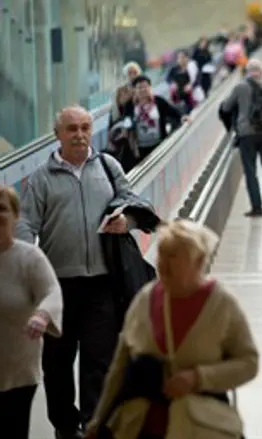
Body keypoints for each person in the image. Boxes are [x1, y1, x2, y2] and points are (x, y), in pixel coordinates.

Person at [14, 106, 153, 438]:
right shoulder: (42, 178)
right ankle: (64, 425)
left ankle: (94, 426)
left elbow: (134, 202)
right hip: (57, 288)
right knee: (57, 365)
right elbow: (25, 225)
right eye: (72, 129)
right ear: (58, 134)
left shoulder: (108, 166)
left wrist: (128, 221)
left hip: (102, 284)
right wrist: (27, 270)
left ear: (93, 130)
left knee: (99, 360)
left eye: (85, 128)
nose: (79, 134)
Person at [84, 220, 259, 439]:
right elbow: (120, 367)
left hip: (202, 427)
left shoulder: (222, 303)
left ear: (199, 262)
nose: (163, 264)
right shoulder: (145, 299)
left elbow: (249, 362)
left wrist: (198, 378)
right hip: (141, 426)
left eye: (174, 256)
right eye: (162, 254)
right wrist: (98, 421)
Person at [0, 186, 63, 439]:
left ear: (16, 216)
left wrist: (42, 315)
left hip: (18, 371)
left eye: (2, 209)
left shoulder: (30, 258)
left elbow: (52, 292)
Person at [220, 58, 262, 217]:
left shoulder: (241, 87)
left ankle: (257, 208)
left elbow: (226, 107)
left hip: (246, 134)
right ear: (261, 72)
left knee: (250, 171)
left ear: (247, 72)